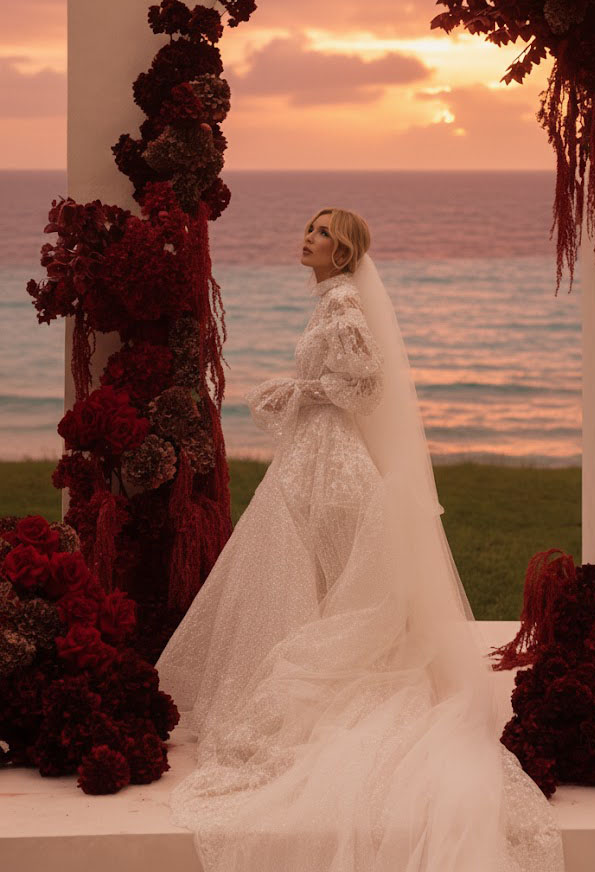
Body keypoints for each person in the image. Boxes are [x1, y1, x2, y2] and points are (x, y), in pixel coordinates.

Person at [155, 207, 566, 872]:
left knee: (312, 569)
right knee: (305, 570)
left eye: (319, 232)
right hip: (317, 454)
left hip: (330, 463)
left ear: (341, 251)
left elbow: (364, 384)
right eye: (309, 228)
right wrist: (305, 393)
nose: (306, 237)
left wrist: (303, 389)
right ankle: (305, 685)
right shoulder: (333, 300)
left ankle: (316, 695)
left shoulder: (342, 301)